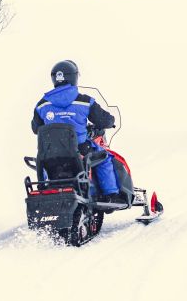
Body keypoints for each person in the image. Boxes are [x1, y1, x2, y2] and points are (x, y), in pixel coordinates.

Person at [31, 60, 123, 203]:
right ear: (74, 77)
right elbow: (104, 121)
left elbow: (35, 128)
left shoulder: (42, 105)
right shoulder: (84, 101)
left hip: (50, 152)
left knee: (44, 160)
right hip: (81, 149)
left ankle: (47, 188)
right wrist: (110, 121)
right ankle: (111, 195)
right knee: (105, 158)